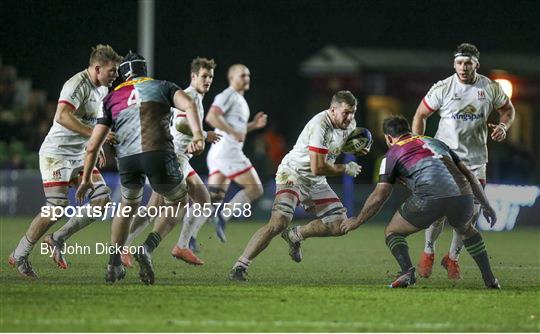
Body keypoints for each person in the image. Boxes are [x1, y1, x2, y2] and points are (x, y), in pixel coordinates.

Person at [75, 52, 204, 284]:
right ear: (145, 70)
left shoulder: (112, 97)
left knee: (127, 207)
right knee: (179, 201)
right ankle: (147, 247)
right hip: (158, 154)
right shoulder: (163, 86)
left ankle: (113, 265)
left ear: (123, 74)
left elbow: (93, 145)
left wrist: (86, 179)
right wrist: (198, 135)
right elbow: (189, 104)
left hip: (128, 161)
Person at [340, 116, 500, 289]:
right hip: (464, 195)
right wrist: (486, 204)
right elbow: (469, 175)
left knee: (393, 231)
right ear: (409, 130)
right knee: (467, 230)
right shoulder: (436, 142)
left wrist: (357, 221)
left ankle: (407, 272)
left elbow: (379, 195)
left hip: (431, 197)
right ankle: (490, 280)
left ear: (388, 137)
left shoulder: (393, 153)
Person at [8, 45, 122, 277]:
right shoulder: (76, 84)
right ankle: (20, 253)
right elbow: (61, 116)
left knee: (102, 200)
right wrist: (92, 135)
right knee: (57, 209)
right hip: (56, 154)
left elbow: (94, 124)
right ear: (97, 68)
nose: (115, 75)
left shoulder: (102, 89)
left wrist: (96, 145)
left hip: (80, 155)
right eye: (112, 71)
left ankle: (57, 238)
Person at [229, 91, 365, 281]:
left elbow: (339, 148)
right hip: (293, 174)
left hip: (316, 181)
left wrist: (358, 147)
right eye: (346, 112)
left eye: (353, 112)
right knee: (278, 222)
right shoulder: (320, 125)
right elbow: (318, 167)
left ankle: (296, 235)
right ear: (333, 110)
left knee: (338, 225)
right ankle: (240, 266)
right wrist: (344, 168)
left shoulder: (350, 124)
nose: (350, 117)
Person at [412, 43, 515, 279]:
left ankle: (453, 258)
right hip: (445, 159)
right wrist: (420, 145)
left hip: (476, 161)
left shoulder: (490, 87)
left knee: (468, 217)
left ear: (476, 64)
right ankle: (428, 251)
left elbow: (508, 110)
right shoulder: (443, 88)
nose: (463, 67)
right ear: (454, 64)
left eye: (468, 62)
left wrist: (503, 126)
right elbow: (420, 114)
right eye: (459, 62)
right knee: (438, 212)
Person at [120, 57, 220, 267]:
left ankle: (181, 246)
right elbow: (182, 122)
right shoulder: (190, 95)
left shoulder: (195, 98)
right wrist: (201, 134)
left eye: (210, 76)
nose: (208, 80)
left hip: (180, 158)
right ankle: (126, 246)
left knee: (202, 201)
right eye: (204, 76)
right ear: (193, 76)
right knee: (155, 208)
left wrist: (196, 137)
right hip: (172, 156)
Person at [205, 64, 267, 242]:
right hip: (228, 152)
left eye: (248, 75)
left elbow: (235, 128)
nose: (246, 78)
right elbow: (211, 116)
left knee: (212, 200)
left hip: (219, 153)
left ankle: (187, 240)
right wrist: (233, 132)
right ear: (231, 78)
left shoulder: (240, 100)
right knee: (255, 189)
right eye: (242, 75)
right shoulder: (228, 95)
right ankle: (223, 217)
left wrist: (253, 126)